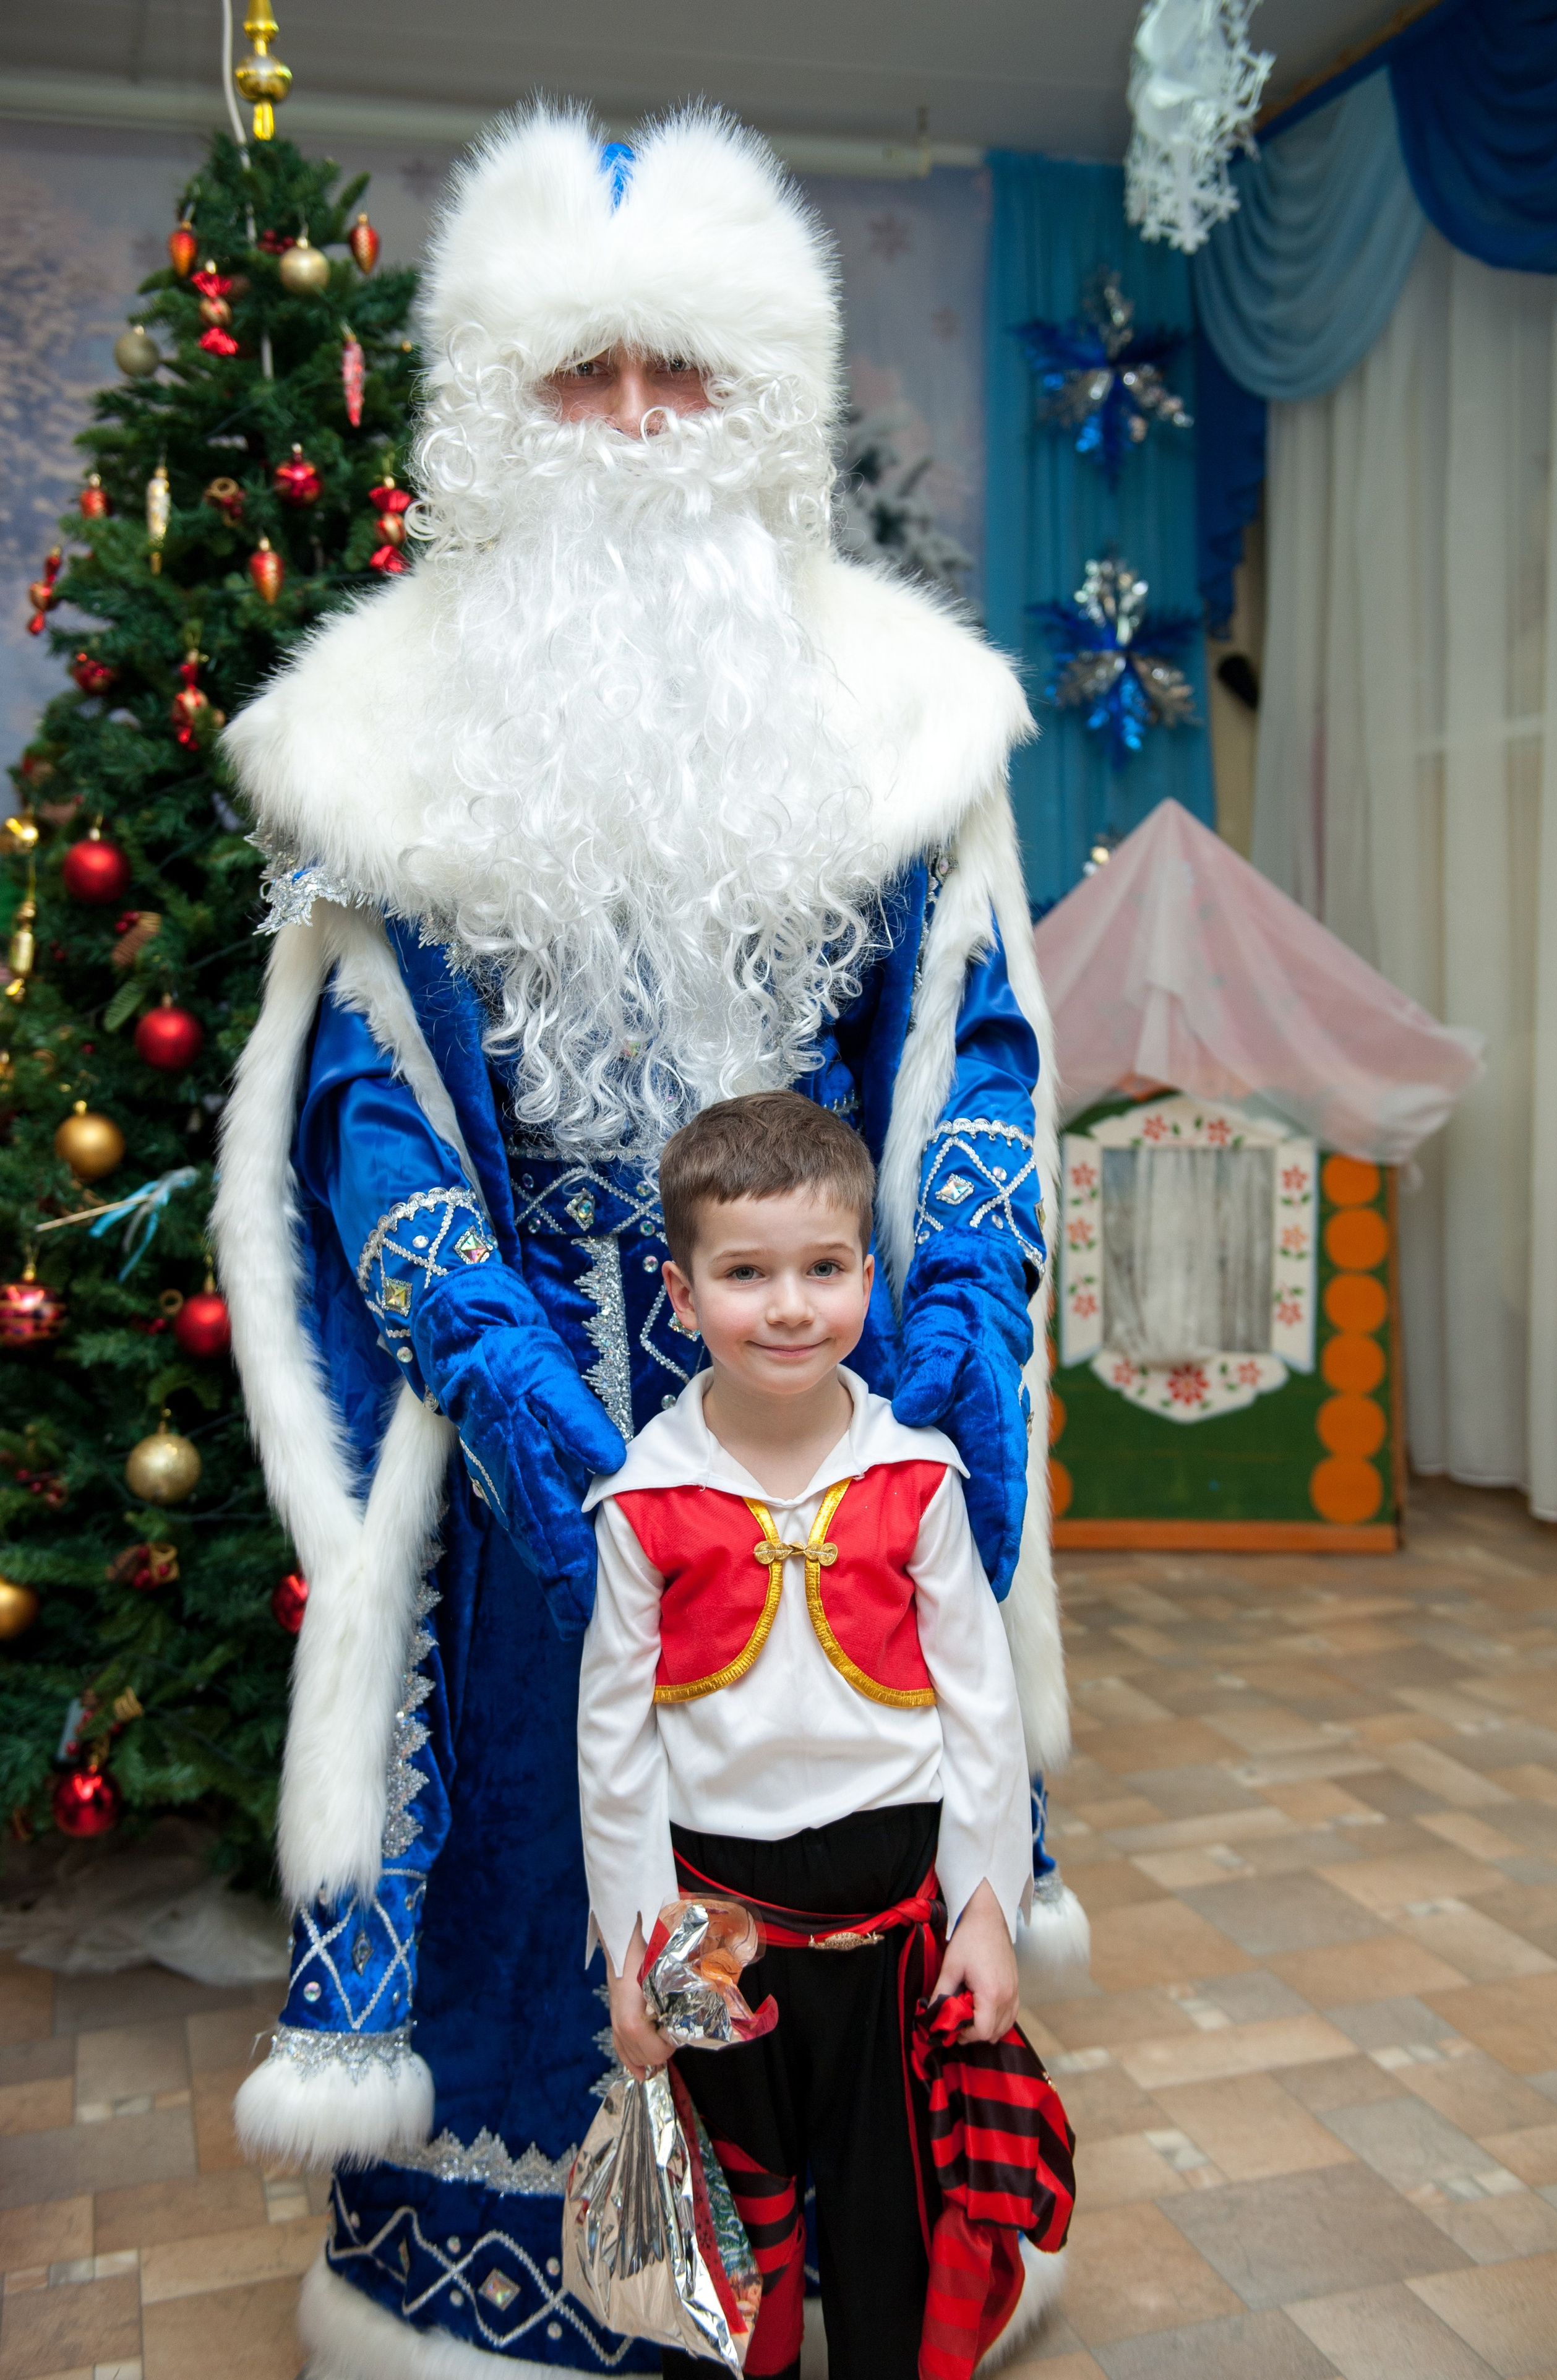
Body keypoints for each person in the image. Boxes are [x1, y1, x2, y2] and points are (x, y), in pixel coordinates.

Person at [215, 103, 1073, 2380]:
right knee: (547, 1833)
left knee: (855, 1828)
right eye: (574, 381)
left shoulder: (903, 725)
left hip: (825, 1390)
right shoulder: (379, 741)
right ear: (494, 419)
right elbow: (361, 1102)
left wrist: (957, 1308)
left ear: (759, 412)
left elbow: (971, 1051)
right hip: (546, 1452)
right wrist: (498, 1371)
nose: (624, 428)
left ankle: (852, 2258)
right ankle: (533, 2280)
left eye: (671, 380)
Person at [579, 1089, 1032, 2380]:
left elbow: (980, 1716)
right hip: (716, 1929)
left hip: (894, 1915)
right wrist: (632, 1953)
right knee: (739, 2219)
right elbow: (612, 1754)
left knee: (892, 2216)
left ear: (866, 1279)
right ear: (678, 1292)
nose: (788, 1306)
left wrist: (983, 1904)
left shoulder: (919, 1479)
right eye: (745, 1273)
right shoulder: (643, 1505)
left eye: (822, 1268)